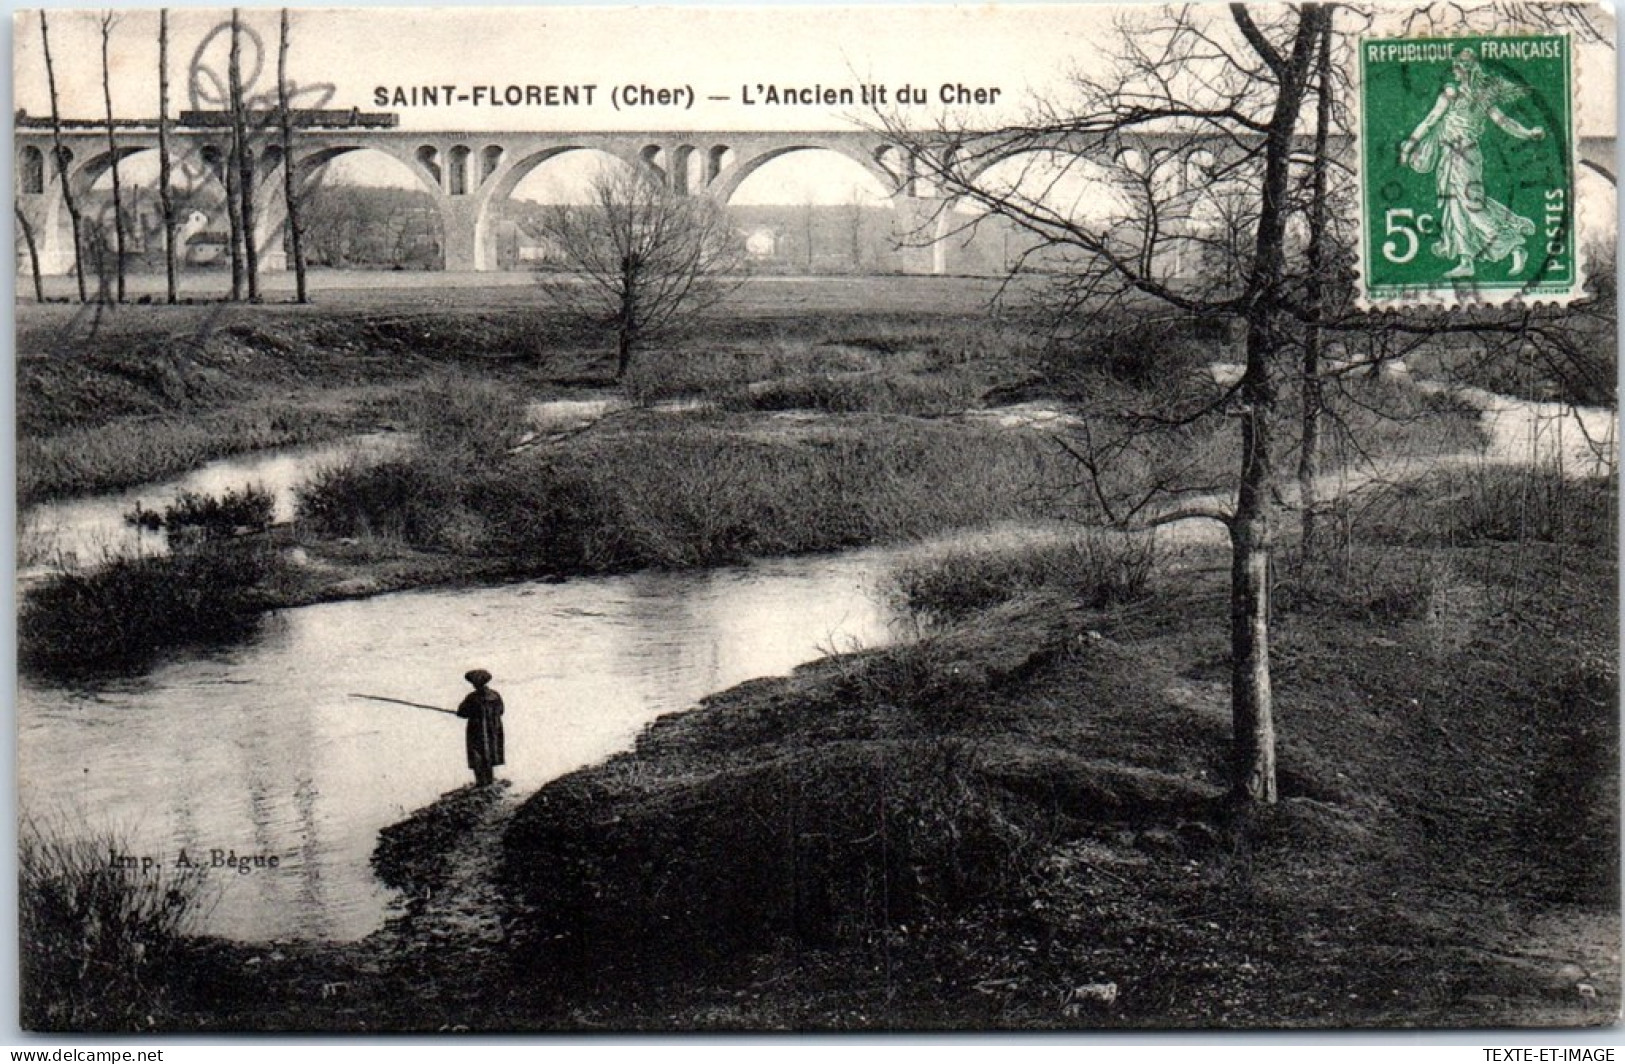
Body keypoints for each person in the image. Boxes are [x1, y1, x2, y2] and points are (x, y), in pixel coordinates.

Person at [1399, 49, 1545, 280]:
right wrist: (1527, 133)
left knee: (1470, 205)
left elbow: (1430, 121)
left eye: (1458, 67)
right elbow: (1504, 122)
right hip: (1455, 154)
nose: (1455, 71)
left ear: (1464, 70)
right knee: (1455, 204)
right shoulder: (1478, 96)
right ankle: (1466, 260)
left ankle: (1513, 245)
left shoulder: (1455, 93)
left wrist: (1409, 145)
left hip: (1463, 156)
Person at [457, 668, 505, 787]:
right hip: (493, 730)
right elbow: (501, 710)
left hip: (476, 730)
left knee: (477, 754)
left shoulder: (472, 698)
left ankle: (480, 783)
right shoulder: (495, 695)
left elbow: (462, 712)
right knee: (490, 753)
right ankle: (489, 781)